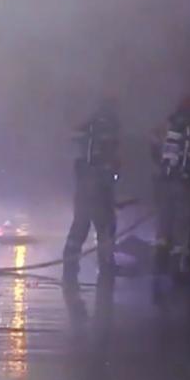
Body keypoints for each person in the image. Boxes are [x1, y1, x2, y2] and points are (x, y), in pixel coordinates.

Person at [63, 99, 121, 284]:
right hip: (100, 192)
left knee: (79, 227)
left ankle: (69, 267)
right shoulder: (108, 135)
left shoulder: (87, 129)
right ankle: (106, 266)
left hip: (83, 190)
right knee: (105, 228)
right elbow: (110, 165)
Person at [152, 96, 190, 278]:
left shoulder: (166, 126)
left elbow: (154, 147)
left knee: (164, 221)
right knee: (182, 225)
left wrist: (161, 169)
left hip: (164, 181)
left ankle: (160, 262)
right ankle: (178, 267)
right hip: (184, 183)